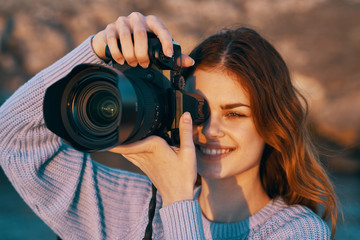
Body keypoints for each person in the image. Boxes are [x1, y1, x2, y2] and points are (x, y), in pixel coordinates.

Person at [0, 12, 338, 239]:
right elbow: (13, 137)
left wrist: (178, 200)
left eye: (235, 113)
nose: (210, 130)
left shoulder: (297, 231)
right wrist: (95, 50)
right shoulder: (128, 206)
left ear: (272, 123)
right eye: (197, 110)